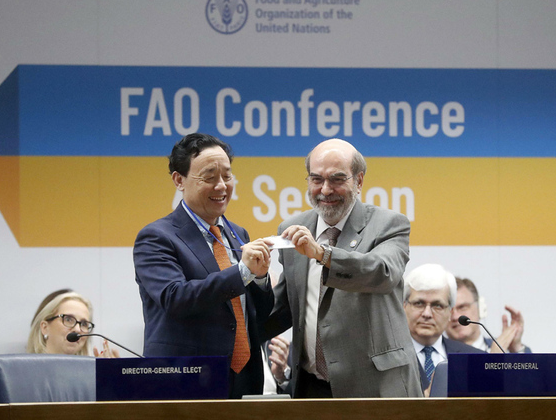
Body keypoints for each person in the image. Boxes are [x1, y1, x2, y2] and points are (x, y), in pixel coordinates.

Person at [262, 139, 422, 398]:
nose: (325, 190)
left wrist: (323, 254)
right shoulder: (291, 228)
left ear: (358, 181)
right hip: (311, 388)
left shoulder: (390, 224)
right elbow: (285, 306)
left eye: (337, 179)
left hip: (376, 387)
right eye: (316, 179)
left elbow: (382, 273)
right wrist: (255, 278)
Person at [133, 133, 274, 399]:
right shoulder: (157, 237)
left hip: (244, 378)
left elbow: (254, 315)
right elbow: (175, 297)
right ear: (179, 180)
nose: (221, 186)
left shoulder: (238, 234)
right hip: (185, 381)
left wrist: (260, 279)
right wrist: (242, 272)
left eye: (227, 176)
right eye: (209, 177)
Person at [403, 264, 484, 392]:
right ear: (404, 306)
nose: (427, 314)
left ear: (450, 312)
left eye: (437, 305)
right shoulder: (386, 359)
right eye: (419, 303)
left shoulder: (476, 359)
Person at [445, 277, 532, 353]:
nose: (455, 317)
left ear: (480, 308)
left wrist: (515, 349)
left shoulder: (505, 349)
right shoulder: (437, 356)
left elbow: (530, 371)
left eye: (462, 307)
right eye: (449, 310)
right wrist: (493, 358)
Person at [27, 291, 119, 357]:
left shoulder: (91, 372)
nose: (78, 329)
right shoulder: (25, 370)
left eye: (84, 324)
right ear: (45, 327)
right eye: (68, 319)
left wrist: (108, 377)